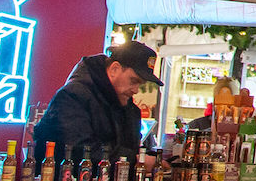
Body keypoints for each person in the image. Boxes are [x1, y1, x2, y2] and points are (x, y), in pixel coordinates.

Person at [33, 40, 160, 170]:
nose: (136, 90)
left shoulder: (129, 108)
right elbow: (78, 152)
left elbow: (130, 149)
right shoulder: (72, 97)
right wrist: (136, 160)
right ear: (114, 69)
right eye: (133, 81)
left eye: (141, 84)